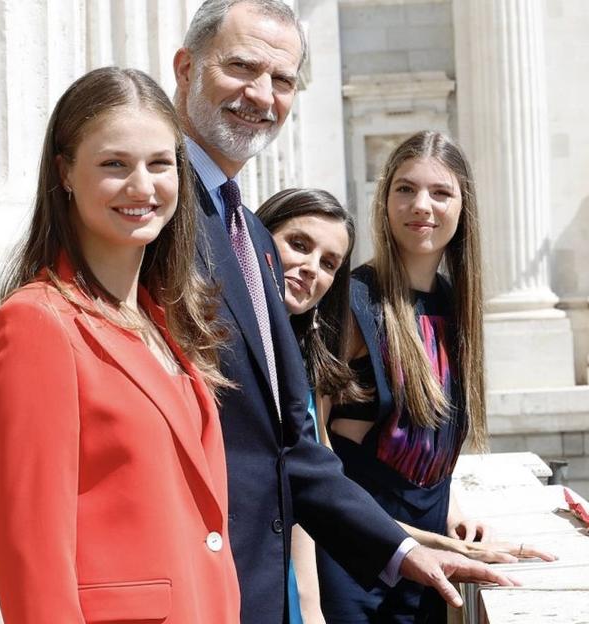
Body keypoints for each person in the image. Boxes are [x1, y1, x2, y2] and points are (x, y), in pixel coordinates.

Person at [173, 2, 518, 622]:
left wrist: (422, 532)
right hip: (270, 573)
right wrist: (309, 590)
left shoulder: (246, 234)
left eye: (281, 80)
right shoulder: (164, 218)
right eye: (242, 67)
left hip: (365, 557)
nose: (262, 94)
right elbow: (312, 443)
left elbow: (292, 448)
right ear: (185, 67)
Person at [0, 67, 240, 624]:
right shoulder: (36, 325)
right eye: (114, 164)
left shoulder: (167, 321)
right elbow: (32, 556)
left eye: (160, 164)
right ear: (65, 172)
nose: (143, 187)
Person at [257, 188, 557, 623]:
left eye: (328, 262)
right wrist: (310, 602)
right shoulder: (351, 308)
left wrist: (447, 524)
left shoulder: (451, 303)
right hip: (332, 567)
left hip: (404, 555)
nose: (310, 268)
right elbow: (312, 478)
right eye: (298, 245)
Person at [313, 130, 495, 623]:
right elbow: (313, 444)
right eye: (405, 189)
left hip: (432, 554)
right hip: (357, 553)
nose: (422, 206)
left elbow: (431, 427)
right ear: (385, 200)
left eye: (441, 192)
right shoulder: (350, 302)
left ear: (463, 207)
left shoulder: (456, 306)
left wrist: (450, 500)